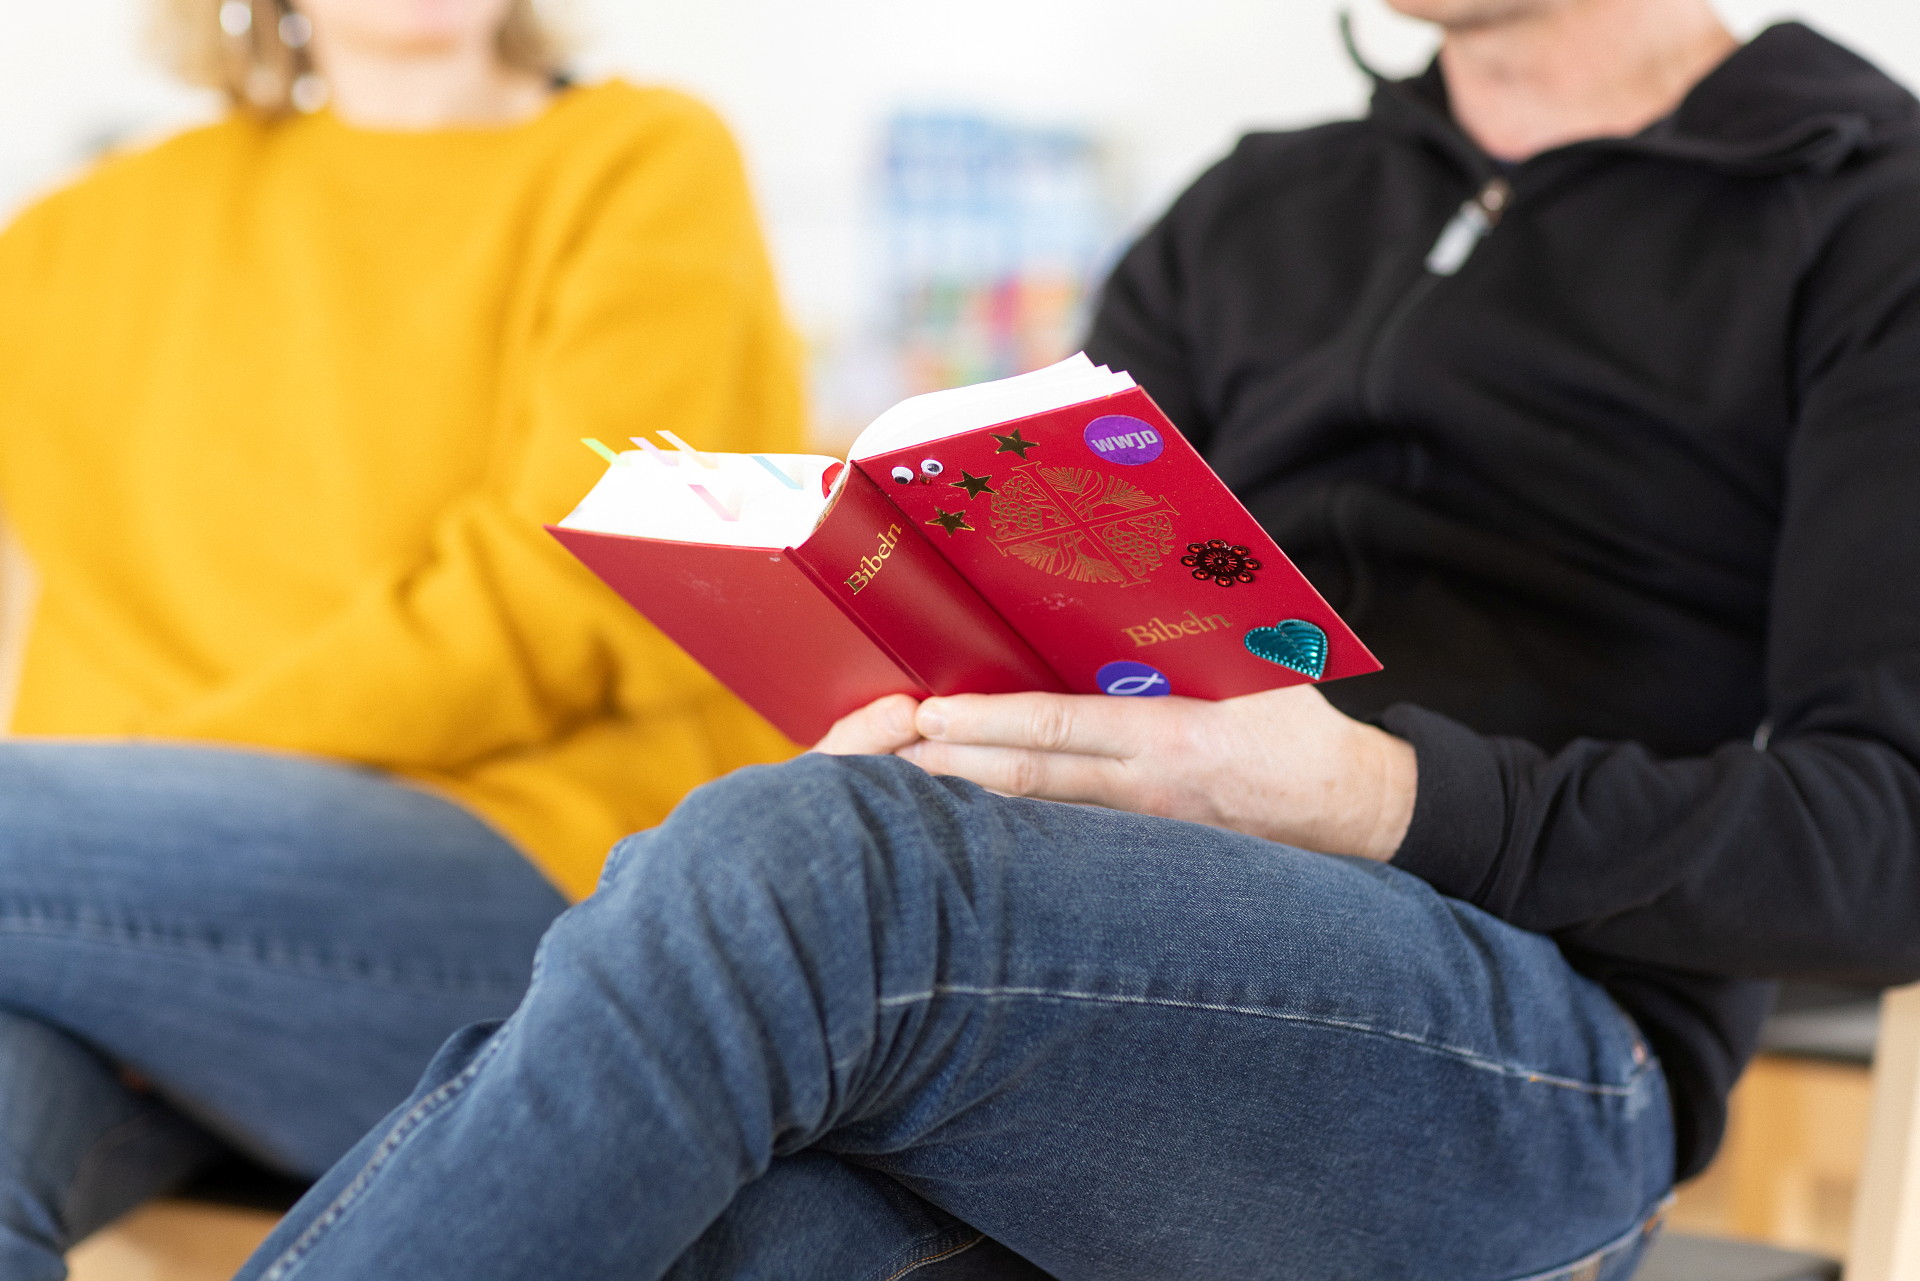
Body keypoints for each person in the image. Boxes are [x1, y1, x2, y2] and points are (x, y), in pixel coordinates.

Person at [229, 0, 1920, 1277]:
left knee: (808, 865)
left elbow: (1891, 839)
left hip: (1543, 1049)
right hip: (1104, 978)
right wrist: (933, 695)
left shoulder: (1869, 213)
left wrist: (1372, 796)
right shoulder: (1252, 210)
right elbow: (1053, 613)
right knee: (743, 1226)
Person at [0, 0, 802, 1274]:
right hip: (119, 896)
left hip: (538, 885)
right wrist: (126, 858)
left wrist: (147, 815)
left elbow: (579, 586)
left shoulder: (639, 157)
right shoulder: (82, 233)